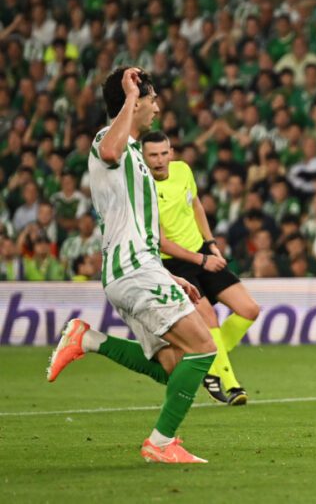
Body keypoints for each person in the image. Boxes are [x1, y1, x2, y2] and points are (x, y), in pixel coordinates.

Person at [47, 67, 216, 464]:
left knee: (175, 367)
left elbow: (140, 230)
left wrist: (168, 273)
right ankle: (159, 443)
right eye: (151, 100)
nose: (157, 108)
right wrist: (127, 97)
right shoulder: (108, 142)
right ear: (134, 102)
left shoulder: (137, 157)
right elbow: (109, 150)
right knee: (204, 347)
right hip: (133, 270)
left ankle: (88, 339)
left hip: (139, 268)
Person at [141, 130, 262, 406]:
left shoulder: (182, 170)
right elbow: (161, 242)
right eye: (153, 155)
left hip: (202, 251)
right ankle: (230, 385)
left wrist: (210, 243)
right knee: (208, 316)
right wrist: (202, 260)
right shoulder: (144, 189)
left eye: (163, 153)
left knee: (249, 310)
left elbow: (195, 205)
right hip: (175, 263)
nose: (159, 160)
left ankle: (207, 361)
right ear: (143, 157)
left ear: (170, 153)